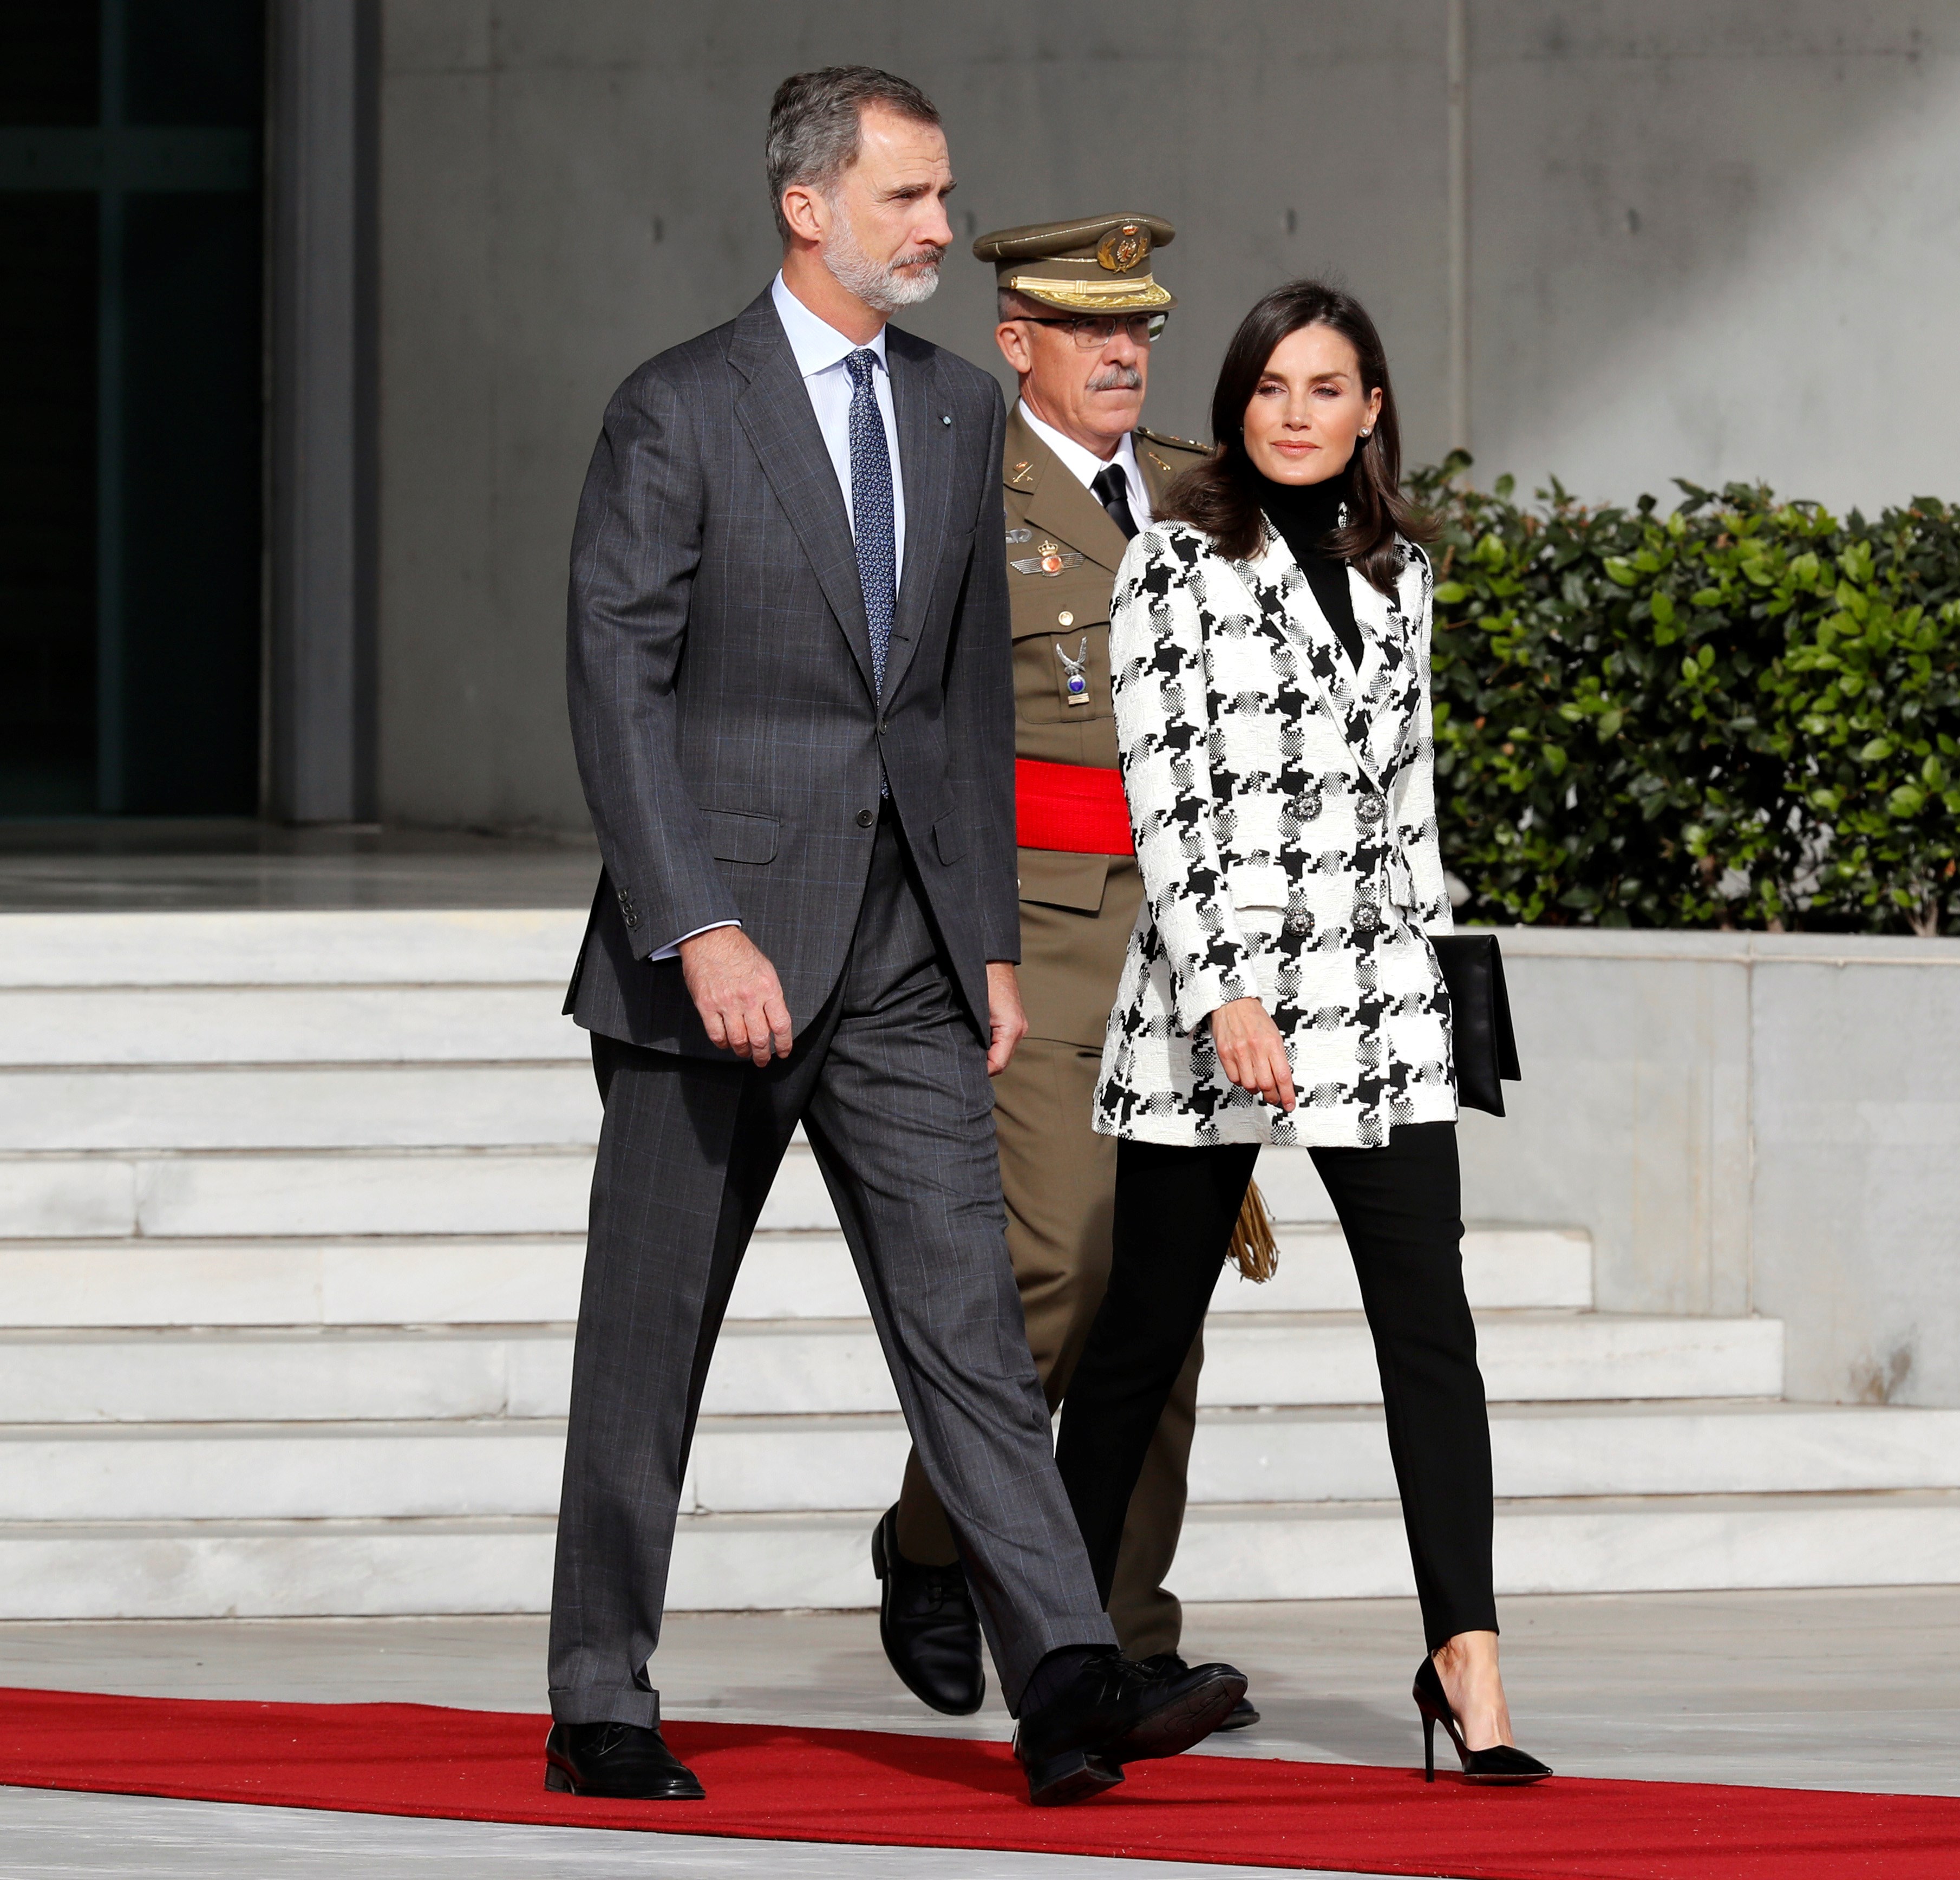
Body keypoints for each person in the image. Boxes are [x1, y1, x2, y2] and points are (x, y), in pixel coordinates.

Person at [552, 65, 1240, 1808]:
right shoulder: (678, 410)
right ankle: (598, 1690)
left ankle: (1064, 1672)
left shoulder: (950, 413)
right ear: (809, 207)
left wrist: (992, 941)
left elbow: (948, 710)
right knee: (652, 1341)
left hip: (916, 964)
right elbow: (617, 688)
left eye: (942, 197)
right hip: (711, 959)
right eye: (912, 199)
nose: (942, 228)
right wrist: (695, 921)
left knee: (972, 1330)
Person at [1055, 281, 1551, 1785]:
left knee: (1432, 1340)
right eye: (1270, 384)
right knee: (1141, 1335)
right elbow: (1169, 796)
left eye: (1326, 387)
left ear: (1372, 409)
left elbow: (1410, 806)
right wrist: (1221, 993)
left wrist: (1452, 981)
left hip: (1380, 994)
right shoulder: (1176, 562)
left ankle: (1465, 1659)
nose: (1293, 411)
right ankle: (1064, 1661)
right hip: (1221, 997)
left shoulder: (1401, 576)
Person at [870, 211, 1253, 1732]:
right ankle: (931, 1534)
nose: (1122, 354)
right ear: (1014, 340)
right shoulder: (967, 483)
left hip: (1188, 936)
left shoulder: (1196, 493)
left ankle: (1123, 1630)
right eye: (1089, 330)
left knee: (1163, 1297)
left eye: (1140, 329)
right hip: (1041, 919)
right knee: (1060, 1267)